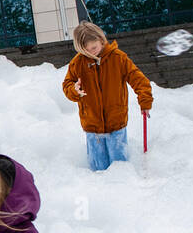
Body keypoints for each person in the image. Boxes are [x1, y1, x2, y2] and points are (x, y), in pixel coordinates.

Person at [62, 21, 153, 172]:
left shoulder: (118, 58)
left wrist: (145, 101)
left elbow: (139, 79)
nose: (92, 52)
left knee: (120, 167)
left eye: (94, 47)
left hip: (116, 122)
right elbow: (67, 84)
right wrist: (74, 90)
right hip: (92, 126)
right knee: (98, 170)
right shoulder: (78, 63)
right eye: (87, 50)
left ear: (102, 40)